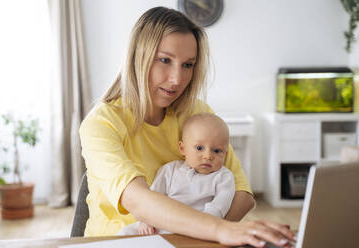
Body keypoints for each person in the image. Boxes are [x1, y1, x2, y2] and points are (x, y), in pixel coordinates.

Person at [79, 6, 295, 247]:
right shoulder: (100, 124)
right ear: (137, 57)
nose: (177, 79)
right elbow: (138, 201)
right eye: (164, 60)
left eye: (188, 65)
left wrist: (198, 238)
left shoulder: (198, 114)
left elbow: (242, 194)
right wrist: (218, 230)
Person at [118, 113, 236, 235]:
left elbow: (220, 205)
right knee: (126, 232)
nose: (208, 156)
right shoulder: (170, 170)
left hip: (198, 227)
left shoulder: (223, 177)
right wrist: (145, 220)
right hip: (161, 221)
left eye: (217, 151)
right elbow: (152, 197)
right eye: (199, 148)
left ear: (225, 154)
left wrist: (206, 224)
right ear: (182, 148)